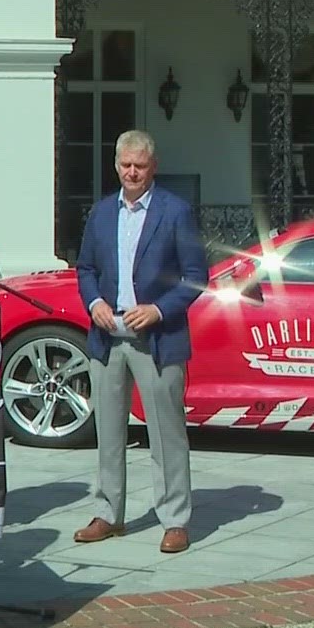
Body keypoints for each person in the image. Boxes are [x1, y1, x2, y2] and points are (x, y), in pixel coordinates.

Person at [71, 130, 208, 554]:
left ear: (153, 166)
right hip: (108, 337)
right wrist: (93, 301)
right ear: (116, 166)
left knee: (166, 434)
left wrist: (158, 309)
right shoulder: (100, 213)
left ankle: (174, 518)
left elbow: (195, 276)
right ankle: (109, 513)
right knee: (109, 432)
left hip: (157, 339)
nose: (132, 172)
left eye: (140, 166)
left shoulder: (175, 211)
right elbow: (86, 267)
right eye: (126, 165)